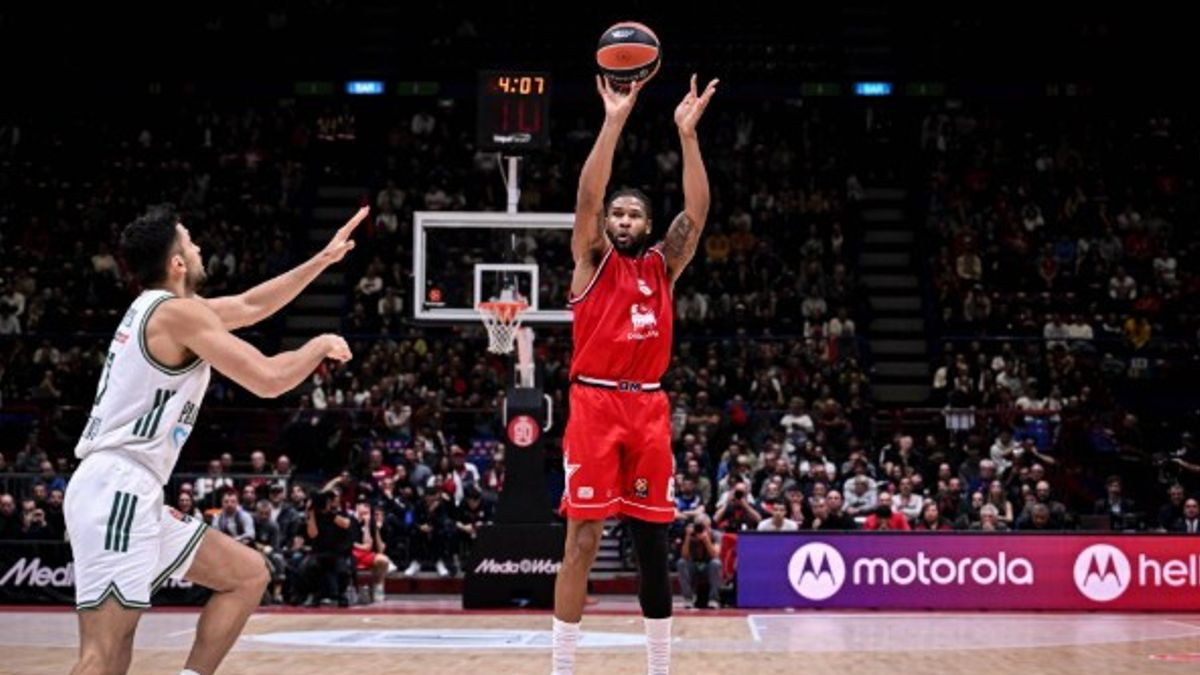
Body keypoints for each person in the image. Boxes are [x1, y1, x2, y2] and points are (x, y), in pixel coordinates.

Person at [64, 204, 363, 675]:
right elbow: (268, 379)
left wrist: (322, 260)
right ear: (177, 263)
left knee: (247, 574)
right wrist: (319, 344)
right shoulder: (176, 315)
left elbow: (250, 306)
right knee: (103, 655)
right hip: (116, 488)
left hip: (131, 489)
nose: (199, 246)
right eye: (190, 241)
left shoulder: (165, 310)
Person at [553, 73, 718, 675]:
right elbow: (587, 196)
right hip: (594, 406)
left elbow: (696, 213)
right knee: (582, 540)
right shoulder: (591, 258)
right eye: (617, 214)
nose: (622, 220)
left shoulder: (661, 266)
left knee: (652, 544)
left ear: (647, 226)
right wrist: (614, 120)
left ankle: (659, 667)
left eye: (633, 215)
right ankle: (562, 667)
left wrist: (687, 136)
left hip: (647, 407)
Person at [351, 501, 393, 603]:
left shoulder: (372, 524)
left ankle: (378, 589)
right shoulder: (350, 521)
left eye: (368, 507)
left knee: (383, 560)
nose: (366, 509)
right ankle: (352, 590)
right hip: (351, 553)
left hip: (366, 554)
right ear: (357, 507)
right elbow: (350, 543)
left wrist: (373, 528)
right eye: (364, 506)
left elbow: (380, 549)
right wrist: (363, 547)